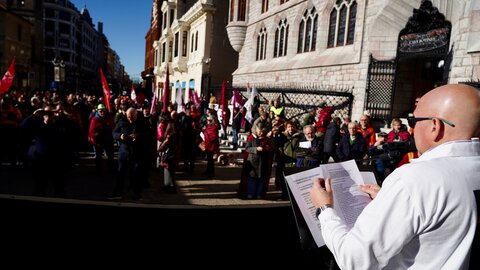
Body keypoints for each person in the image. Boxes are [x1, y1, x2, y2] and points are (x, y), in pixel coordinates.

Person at [310, 84, 480, 269]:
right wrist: (392, 197)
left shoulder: (415, 179)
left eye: (414, 122)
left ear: (435, 126)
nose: (412, 129)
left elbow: (354, 260)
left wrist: (324, 209)